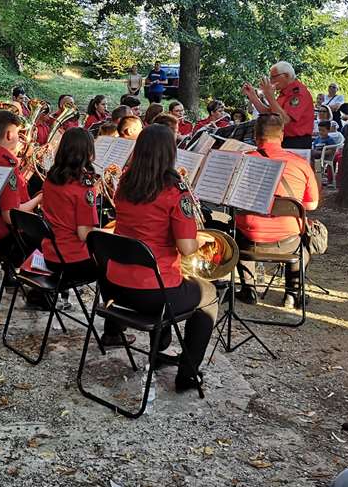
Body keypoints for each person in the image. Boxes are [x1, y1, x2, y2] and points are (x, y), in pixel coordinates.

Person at [104, 124, 219, 391]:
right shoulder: (174, 192)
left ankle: (161, 345)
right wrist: (203, 238)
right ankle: (188, 374)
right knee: (209, 296)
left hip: (116, 289)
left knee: (173, 283)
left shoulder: (125, 183)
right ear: (170, 153)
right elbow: (188, 248)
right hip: (153, 294)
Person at [234, 114, 319, 307]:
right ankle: (292, 293)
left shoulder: (242, 161)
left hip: (248, 242)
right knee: (303, 242)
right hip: (288, 242)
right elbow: (312, 205)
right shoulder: (300, 163)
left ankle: (249, 289)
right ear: (282, 135)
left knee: (234, 227)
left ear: (255, 136)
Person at [39, 128, 101, 313]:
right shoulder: (83, 188)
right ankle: (112, 329)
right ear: (88, 153)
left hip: (50, 255)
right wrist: (110, 234)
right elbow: (84, 235)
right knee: (115, 263)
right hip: (73, 262)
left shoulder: (51, 178)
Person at [0, 110, 43, 271]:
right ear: (8, 134)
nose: (20, 137)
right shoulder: (6, 166)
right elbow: (10, 215)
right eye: (18, 132)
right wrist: (41, 197)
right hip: (10, 236)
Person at [242, 61, 315, 149]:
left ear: (286, 76)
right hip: (282, 140)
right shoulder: (284, 92)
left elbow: (284, 120)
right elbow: (270, 114)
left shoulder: (298, 93)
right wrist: (252, 96)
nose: (271, 81)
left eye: (273, 77)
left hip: (295, 142)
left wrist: (269, 96)